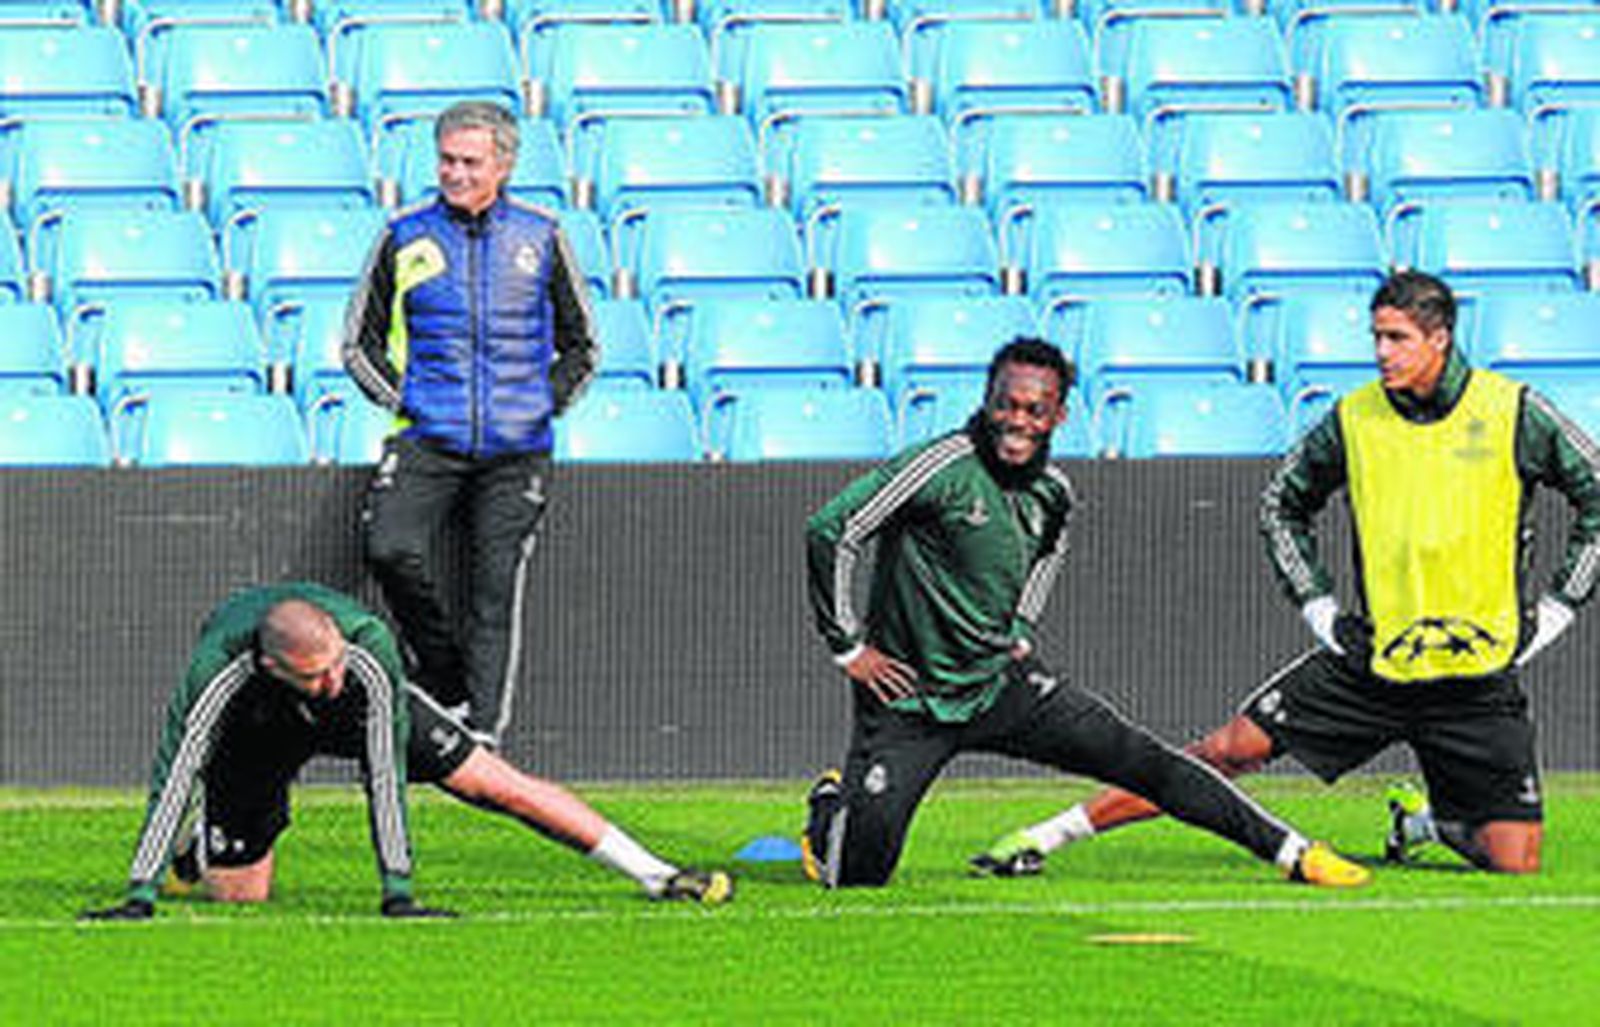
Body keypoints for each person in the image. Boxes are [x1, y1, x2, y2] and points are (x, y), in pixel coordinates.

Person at [974, 271, 1600, 878]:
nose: (1381, 352)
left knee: (1513, 860)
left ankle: (1423, 825)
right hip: (1373, 660)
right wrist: (1318, 607)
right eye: (1376, 337)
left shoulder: (1513, 410)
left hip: (1477, 669)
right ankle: (1047, 834)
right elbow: (1281, 502)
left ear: (1439, 339)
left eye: (1397, 338)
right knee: (1228, 750)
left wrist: (1557, 609)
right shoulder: (1354, 417)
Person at [800, 337, 1370, 889]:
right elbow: (832, 529)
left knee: (1145, 760)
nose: (1018, 421)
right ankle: (830, 803)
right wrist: (848, 644)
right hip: (910, 699)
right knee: (854, 875)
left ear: (1059, 417)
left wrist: (1020, 625)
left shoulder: (1054, 491)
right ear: (987, 401)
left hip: (1002, 686)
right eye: (1006, 405)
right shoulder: (942, 465)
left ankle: (1295, 853)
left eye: (1034, 410)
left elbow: (1048, 552)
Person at [80, 583, 732, 920]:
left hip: (367, 712)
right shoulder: (217, 670)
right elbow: (174, 772)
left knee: (495, 782)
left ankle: (656, 872)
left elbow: (384, 777)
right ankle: (203, 847)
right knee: (242, 900)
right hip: (258, 730)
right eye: (315, 674)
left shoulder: (363, 657)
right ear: (273, 664)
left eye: (334, 662)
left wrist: (398, 892)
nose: (330, 678)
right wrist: (139, 891)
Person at [343, 100, 597, 747]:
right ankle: (447, 678)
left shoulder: (542, 235)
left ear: (503, 164)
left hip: (518, 451)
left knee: (494, 585)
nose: (454, 173)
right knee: (388, 547)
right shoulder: (405, 233)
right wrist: (408, 402)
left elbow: (583, 346)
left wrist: (542, 403)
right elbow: (356, 344)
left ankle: (482, 732)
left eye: (469, 161)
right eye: (446, 160)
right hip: (428, 436)